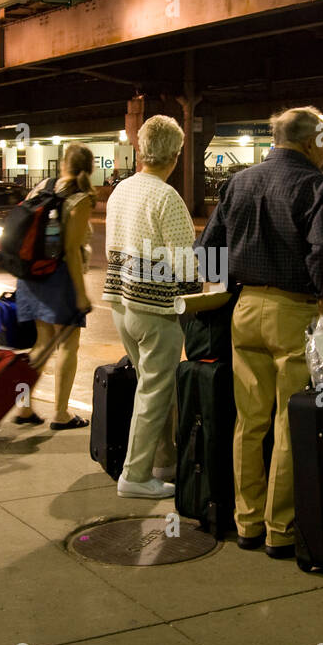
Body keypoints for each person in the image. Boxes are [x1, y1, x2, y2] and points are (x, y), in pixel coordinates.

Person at [196, 106, 323, 558]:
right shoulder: (318, 187)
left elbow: (207, 250)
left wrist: (228, 288)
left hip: (244, 309)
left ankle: (246, 523)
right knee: (286, 421)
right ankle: (279, 531)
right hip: (293, 311)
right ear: (309, 141)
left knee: (249, 420)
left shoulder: (239, 182)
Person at [101, 115, 200, 498]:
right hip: (155, 309)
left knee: (152, 389)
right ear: (175, 155)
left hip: (120, 304)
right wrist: (200, 293)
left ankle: (162, 463)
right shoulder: (166, 197)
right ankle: (136, 475)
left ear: (141, 151)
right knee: (155, 392)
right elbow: (186, 264)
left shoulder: (121, 191)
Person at [12, 144, 96, 431]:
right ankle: (60, 414)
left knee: (41, 344)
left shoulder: (42, 187)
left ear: (63, 164)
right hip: (58, 278)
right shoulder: (80, 198)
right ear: (90, 168)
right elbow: (71, 251)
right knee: (68, 346)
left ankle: (24, 408)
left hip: (31, 274)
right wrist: (82, 294)